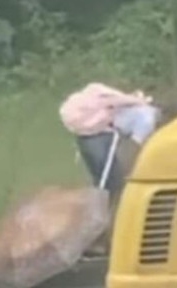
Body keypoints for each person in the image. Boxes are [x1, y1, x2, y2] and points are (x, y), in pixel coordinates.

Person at [59, 82, 162, 256]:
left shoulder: (93, 95)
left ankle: (102, 236)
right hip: (102, 143)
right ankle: (102, 237)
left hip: (90, 141)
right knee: (112, 189)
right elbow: (135, 141)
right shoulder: (141, 115)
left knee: (104, 186)